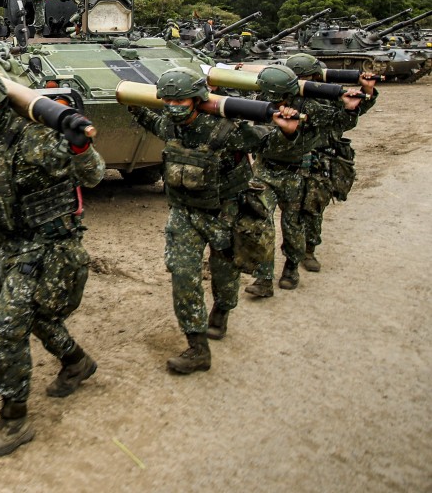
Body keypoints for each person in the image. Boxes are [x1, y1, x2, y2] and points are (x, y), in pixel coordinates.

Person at [0, 63, 105, 457]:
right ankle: (76, 362)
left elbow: (95, 174)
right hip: (12, 242)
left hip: (49, 247)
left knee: (6, 330)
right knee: (37, 318)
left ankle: (13, 420)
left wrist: (79, 146)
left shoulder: (35, 140)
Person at [128, 68, 280, 374]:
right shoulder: (170, 126)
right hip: (184, 214)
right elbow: (148, 118)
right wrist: (129, 99)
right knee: (183, 276)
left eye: (180, 101)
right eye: (167, 100)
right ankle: (197, 347)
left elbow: (267, 141)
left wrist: (287, 129)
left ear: (196, 101)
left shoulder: (226, 131)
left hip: (225, 214)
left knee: (225, 277)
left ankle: (222, 311)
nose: (172, 107)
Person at [244, 65, 364, 297]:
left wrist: (349, 109)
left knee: (293, 224)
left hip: (296, 173)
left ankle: (291, 268)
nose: (273, 100)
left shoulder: (308, 106)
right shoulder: (259, 104)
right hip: (265, 171)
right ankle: (263, 278)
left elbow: (338, 122)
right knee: (260, 222)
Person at [284, 53, 379, 272]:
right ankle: (291, 260)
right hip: (294, 159)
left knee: (314, 207)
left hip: (322, 158)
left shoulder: (328, 95)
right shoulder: (288, 97)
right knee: (293, 213)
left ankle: (309, 250)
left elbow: (355, 109)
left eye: (306, 77)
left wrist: (367, 91)